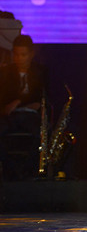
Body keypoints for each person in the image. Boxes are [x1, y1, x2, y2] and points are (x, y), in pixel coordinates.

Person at [0, 34, 48, 180]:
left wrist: (19, 101)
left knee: (40, 135)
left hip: (31, 115)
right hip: (10, 116)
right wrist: (14, 104)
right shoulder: (6, 73)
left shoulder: (40, 72)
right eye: (16, 54)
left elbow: (41, 96)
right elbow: (4, 97)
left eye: (23, 55)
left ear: (31, 54)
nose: (19, 59)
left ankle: (28, 171)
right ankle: (12, 171)